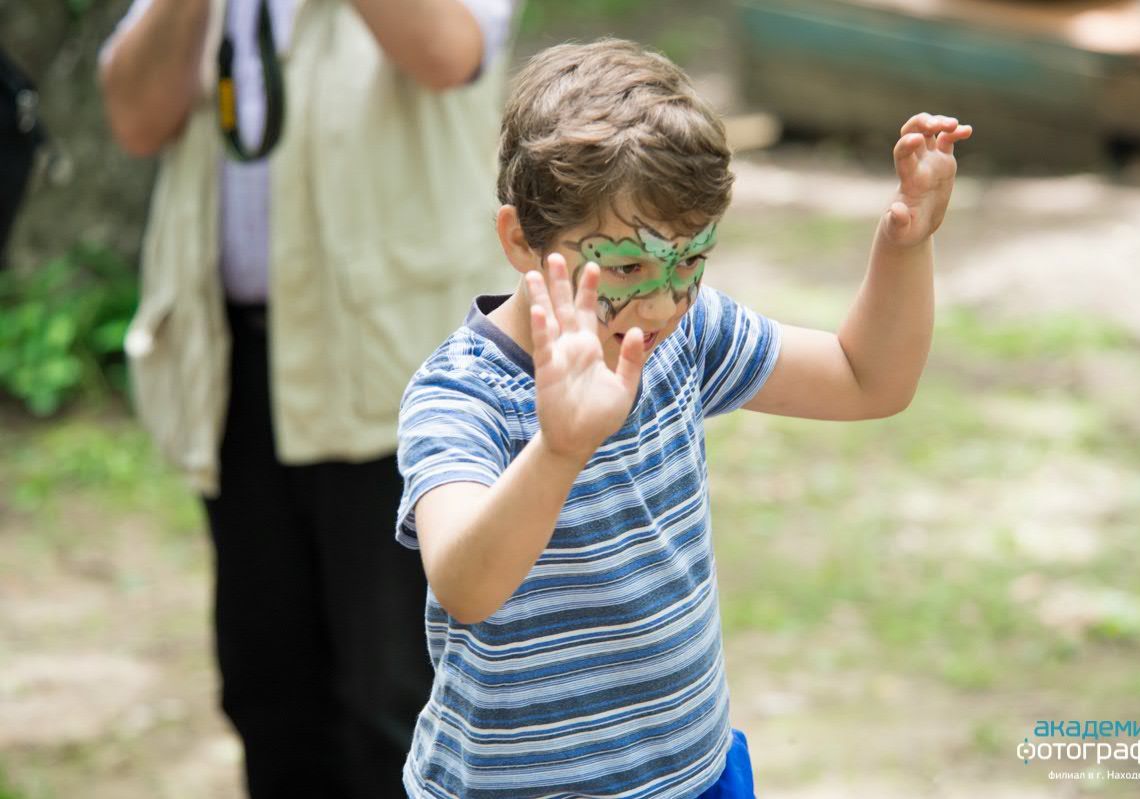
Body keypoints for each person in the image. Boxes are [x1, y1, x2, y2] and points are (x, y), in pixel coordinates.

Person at [394, 39, 972, 798]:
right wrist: (560, 450)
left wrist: (905, 244)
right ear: (521, 243)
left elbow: (869, 380)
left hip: (694, 776)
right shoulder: (461, 394)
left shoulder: (686, 337)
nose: (662, 303)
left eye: (690, 261)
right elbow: (466, 587)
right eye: (627, 267)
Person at [98, 1, 514, 797]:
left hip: (397, 373)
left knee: (399, 699)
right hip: (235, 365)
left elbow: (447, 51)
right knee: (269, 690)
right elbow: (135, 117)